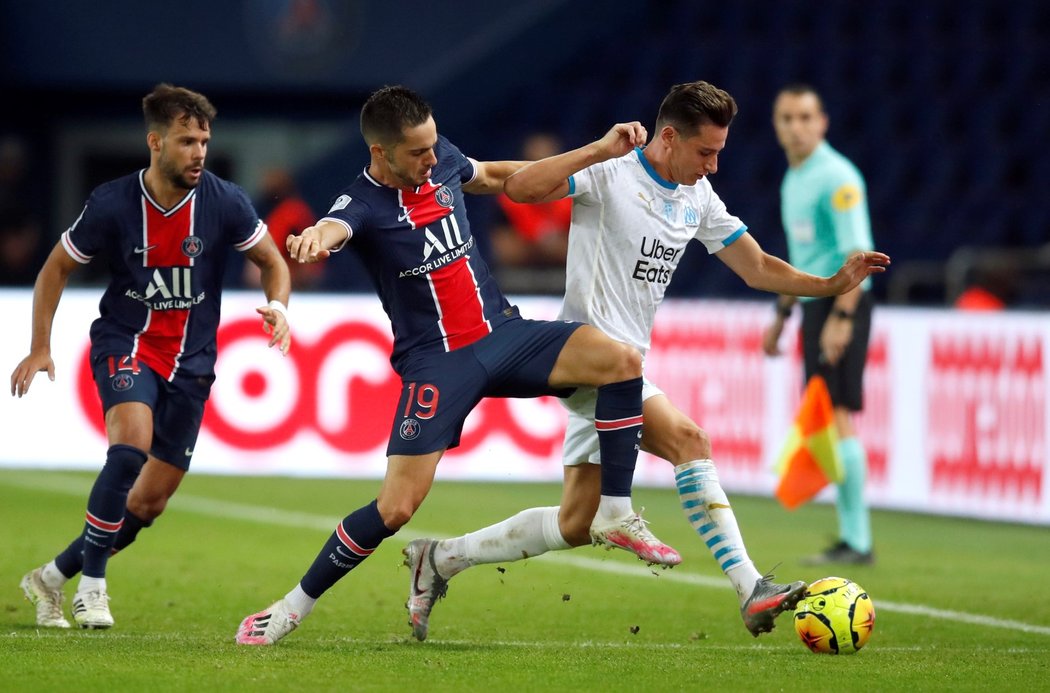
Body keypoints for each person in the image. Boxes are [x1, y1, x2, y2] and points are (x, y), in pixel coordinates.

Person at [400, 81, 890, 641]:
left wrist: (828, 285)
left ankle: (438, 559)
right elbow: (521, 189)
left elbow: (756, 268)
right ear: (669, 137)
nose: (713, 166)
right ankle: (750, 588)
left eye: (719, 154)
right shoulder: (612, 171)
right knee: (689, 441)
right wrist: (596, 150)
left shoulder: (697, 197)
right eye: (705, 152)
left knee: (574, 523)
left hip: (621, 376)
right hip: (584, 356)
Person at [234, 85, 679, 646]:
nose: (432, 157)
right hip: (438, 364)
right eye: (417, 152)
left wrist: (593, 155)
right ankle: (289, 609)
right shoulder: (362, 204)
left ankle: (615, 511)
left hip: (503, 333)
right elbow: (334, 228)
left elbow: (493, 175)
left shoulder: (439, 155)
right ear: (381, 153)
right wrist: (313, 240)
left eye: (431, 145)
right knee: (395, 507)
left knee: (620, 360)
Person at [12, 84, 292, 630]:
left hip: (193, 364)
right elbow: (56, 268)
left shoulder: (225, 201)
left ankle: (51, 576)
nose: (199, 153)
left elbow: (272, 261)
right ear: (155, 141)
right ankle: (91, 589)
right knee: (129, 449)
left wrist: (278, 306)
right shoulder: (113, 203)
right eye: (187, 141)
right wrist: (41, 345)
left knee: (147, 506)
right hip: (128, 344)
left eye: (205, 141)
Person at [762, 84, 877, 565]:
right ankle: (852, 537)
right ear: (776, 125)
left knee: (838, 415)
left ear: (822, 122)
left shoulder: (837, 177)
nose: (796, 127)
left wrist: (843, 318)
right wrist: (783, 315)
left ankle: (858, 541)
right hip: (815, 306)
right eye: (787, 118)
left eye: (805, 117)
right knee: (828, 417)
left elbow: (858, 257)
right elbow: (803, 260)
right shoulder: (796, 177)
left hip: (841, 303)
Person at [488, 132, 572, 293]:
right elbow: (503, 248)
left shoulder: (573, 199)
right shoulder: (507, 202)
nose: (540, 174)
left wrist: (532, 244)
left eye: (547, 165)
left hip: (566, 279)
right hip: (516, 282)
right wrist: (544, 245)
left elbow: (585, 247)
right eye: (534, 166)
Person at [242, 167, 322, 290]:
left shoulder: (290, 212)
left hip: (291, 282)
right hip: (295, 280)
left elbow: (266, 254)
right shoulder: (292, 210)